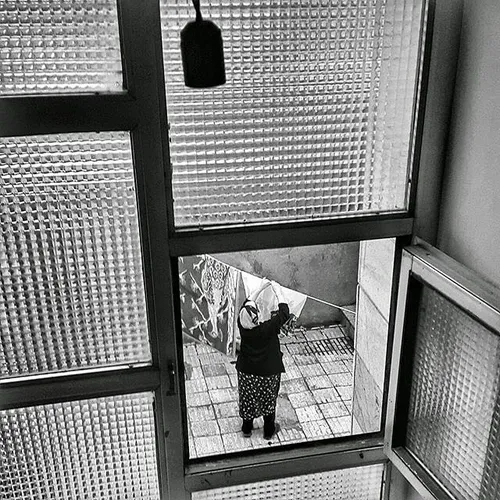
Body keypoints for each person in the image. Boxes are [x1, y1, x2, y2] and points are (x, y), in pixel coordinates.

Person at [236, 279, 290, 440]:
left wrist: (261, 287)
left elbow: (248, 302)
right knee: (268, 400)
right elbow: (284, 313)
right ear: (255, 318)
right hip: (268, 371)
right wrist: (278, 291)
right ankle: (268, 431)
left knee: (247, 398)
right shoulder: (267, 328)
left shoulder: (242, 323)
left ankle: (246, 428)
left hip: (246, 371)